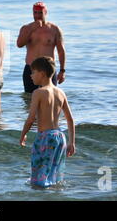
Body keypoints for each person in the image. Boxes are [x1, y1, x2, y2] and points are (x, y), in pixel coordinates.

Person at [19, 56, 75, 188]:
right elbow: (70, 119)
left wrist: (23, 134)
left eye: (33, 72)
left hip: (45, 138)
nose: (31, 75)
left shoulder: (38, 92)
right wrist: (72, 142)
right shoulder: (61, 92)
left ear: (42, 74)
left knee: (38, 180)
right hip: (60, 137)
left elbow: (31, 118)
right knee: (54, 177)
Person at [17, 2, 66, 94]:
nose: (37, 15)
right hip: (31, 69)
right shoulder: (26, 28)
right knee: (29, 99)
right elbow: (19, 44)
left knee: (50, 96)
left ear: (45, 13)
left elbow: (61, 51)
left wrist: (62, 71)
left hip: (48, 69)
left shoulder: (54, 29)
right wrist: (31, 29)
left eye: (40, 13)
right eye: (35, 13)